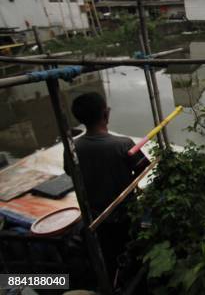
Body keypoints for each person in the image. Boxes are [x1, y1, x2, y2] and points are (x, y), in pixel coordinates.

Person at [63, 92, 150, 278]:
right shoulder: (123, 144)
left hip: (92, 217)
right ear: (106, 114)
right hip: (124, 216)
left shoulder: (72, 149)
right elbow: (145, 168)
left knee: (107, 259)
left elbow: (71, 172)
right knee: (129, 258)